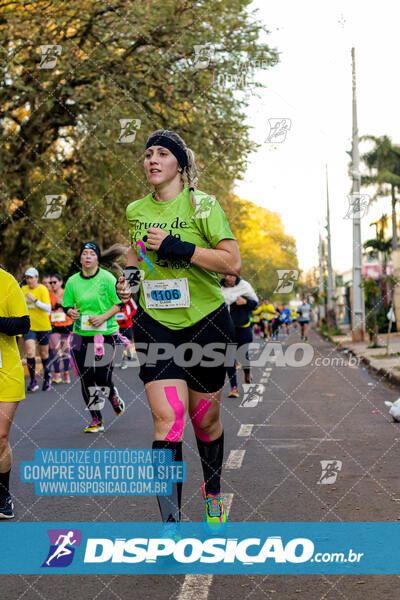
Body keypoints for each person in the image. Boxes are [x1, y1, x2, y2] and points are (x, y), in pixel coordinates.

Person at [117, 129, 240, 537]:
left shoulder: (203, 205)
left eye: (161, 154)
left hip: (205, 323)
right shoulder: (136, 210)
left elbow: (231, 264)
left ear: (179, 165)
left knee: (205, 421)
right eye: (147, 154)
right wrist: (129, 279)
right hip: (156, 324)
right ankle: (170, 523)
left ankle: (213, 495)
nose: (151, 160)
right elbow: (136, 259)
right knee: (168, 419)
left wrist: (178, 246)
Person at [62, 242, 125, 433]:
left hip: (105, 334)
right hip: (81, 335)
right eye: (84, 253)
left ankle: (112, 393)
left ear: (97, 258)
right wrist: (71, 312)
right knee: (86, 377)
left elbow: (119, 304)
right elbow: (67, 306)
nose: (88, 256)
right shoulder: (72, 281)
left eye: (92, 253)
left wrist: (103, 317)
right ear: (80, 258)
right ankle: (96, 419)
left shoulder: (107, 278)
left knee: (102, 376)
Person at [0, 268, 30, 518]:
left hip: (4, 370)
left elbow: (22, 323)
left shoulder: (6, 281)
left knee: (0, 436)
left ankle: (2, 494)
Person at [220, 275, 258, 397]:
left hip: (243, 327)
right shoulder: (219, 287)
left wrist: (245, 301)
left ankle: (247, 375)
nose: (228, 278)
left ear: (236, 275)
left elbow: (255, 304)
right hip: (227, 328)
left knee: (243, 355)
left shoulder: (245, 286)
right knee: (229, 358)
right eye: (226, 275)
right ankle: (234, 388)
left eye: (231, 275)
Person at [21, 267, 52, 392]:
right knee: (30, 352)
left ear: (37, 278)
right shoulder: (23, 289)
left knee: (44, 353)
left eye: (31, 277)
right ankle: (33, 381)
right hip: (29, 327)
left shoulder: (42, 289)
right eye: (27, 278)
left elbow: (48, 308)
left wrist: (34, 300)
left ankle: (47, 376)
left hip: (43, 326)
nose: (29, 280)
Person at [48, 274, 72, 384]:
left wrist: (63, 304)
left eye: (54, 282)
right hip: (53, 325)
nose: (52, 285)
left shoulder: (66, 293)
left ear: (61, 282)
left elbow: (74, 306)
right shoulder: (48, 294)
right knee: (55, 349)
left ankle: (66, 372)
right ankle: (57, 374)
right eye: (50, 283)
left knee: (66, 349)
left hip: (66, 324)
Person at [115, 297, 137, 369]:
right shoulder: (112, 295)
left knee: (127, 343)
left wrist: (128, 316)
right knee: (120, 344)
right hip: (116, 325)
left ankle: (127, 355)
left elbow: (135, 309)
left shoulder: (128, 297)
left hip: (127, 325)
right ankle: (124, 361)